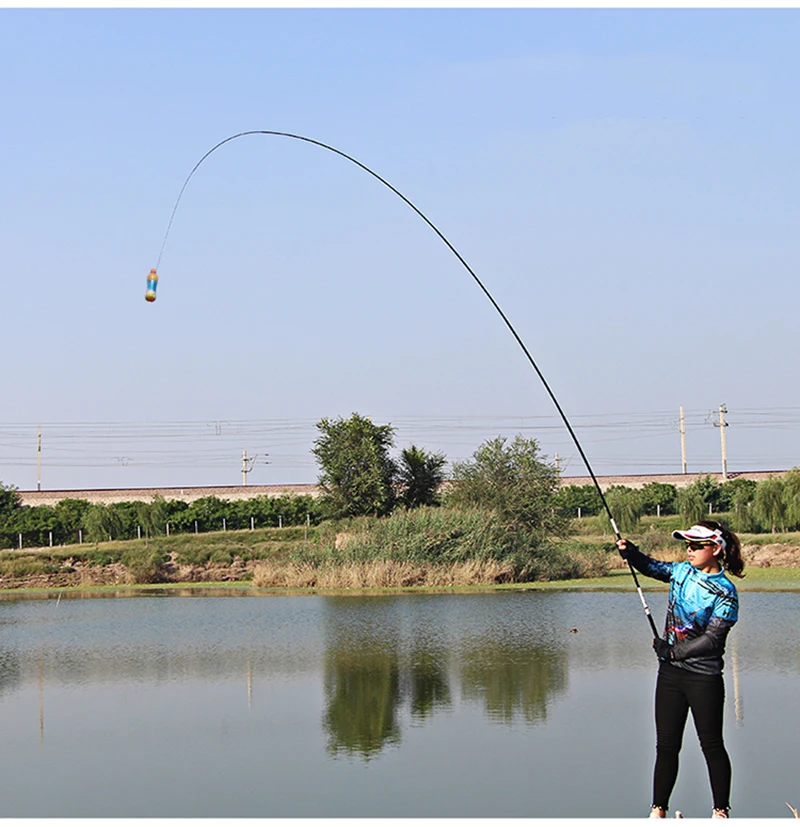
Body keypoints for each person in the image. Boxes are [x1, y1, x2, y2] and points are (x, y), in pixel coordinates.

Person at [615, 519, 745, 819]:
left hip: (704, 678)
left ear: (715, 548)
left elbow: (713, 640)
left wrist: (672, 650)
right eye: (687, 544)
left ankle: (720, 812)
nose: (689, 550)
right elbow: (651, 568)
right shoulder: (681, 572)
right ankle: (658, 810)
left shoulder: (725, 592)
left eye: (696, 545)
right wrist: (631, 553)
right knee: (666, 746)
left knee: (712, 745)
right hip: (671, 676)